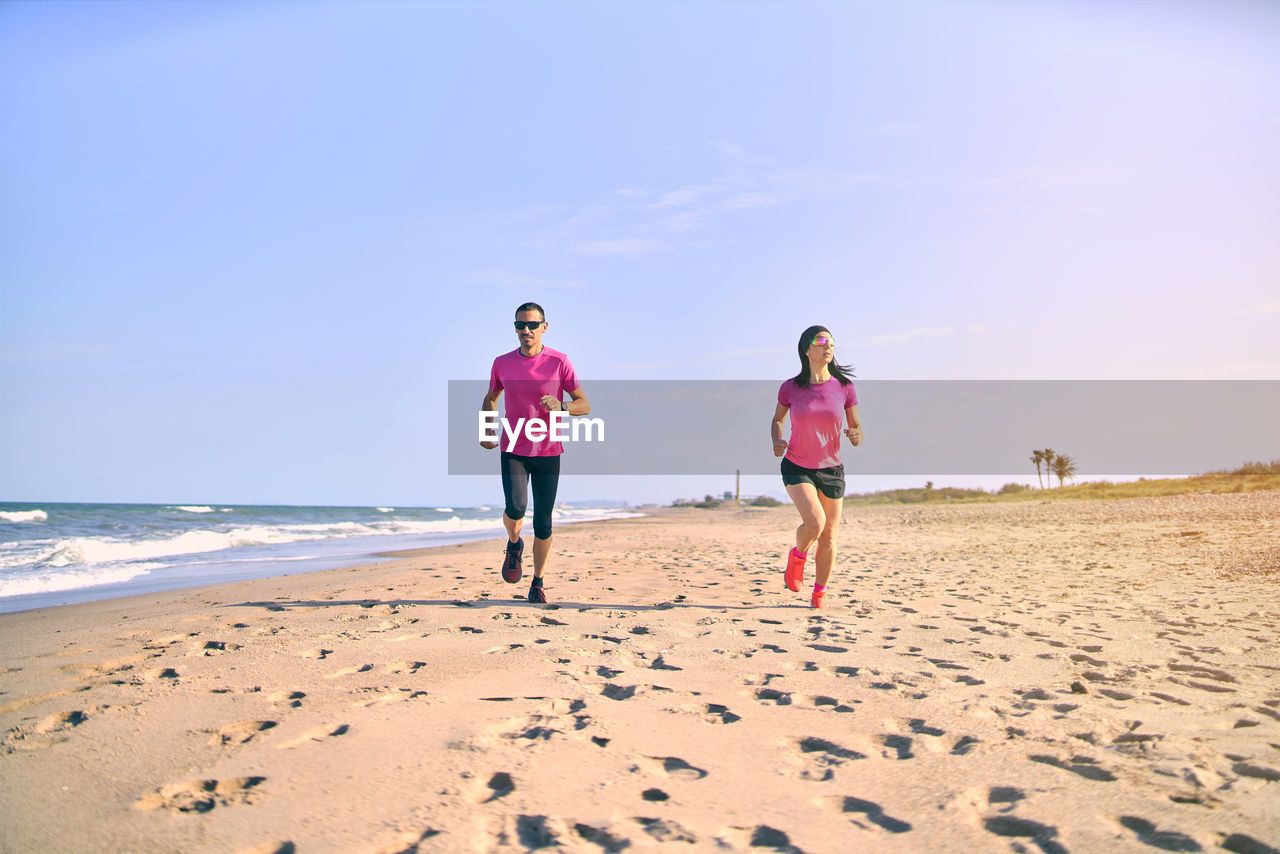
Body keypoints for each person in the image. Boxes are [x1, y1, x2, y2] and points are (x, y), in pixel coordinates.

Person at [480, 302, 589, 604]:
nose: (525, 331)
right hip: (514, 446)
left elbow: (584, 403)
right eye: (519, 325)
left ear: (544, 326)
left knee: (543, 522)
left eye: (531, 325)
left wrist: (564, 406)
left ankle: (538, 581)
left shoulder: (559, 361)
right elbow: (491, 398)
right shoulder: (502, 363)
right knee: (516, 508)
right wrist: (487, 430)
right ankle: (514, 543)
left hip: (548, 450)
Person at [770, 326, 862, 608]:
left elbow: (856, 427)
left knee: (830, 537)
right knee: (816, 523)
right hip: (797, 465)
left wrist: (856, 435)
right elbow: (777, 420)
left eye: (831, 342)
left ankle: (818, 593)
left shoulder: (844, 387)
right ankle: (797, 556)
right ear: (807, 349)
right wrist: (777, 440)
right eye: (822, 341)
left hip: (832, 469)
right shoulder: (791, 387)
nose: (828, 346)